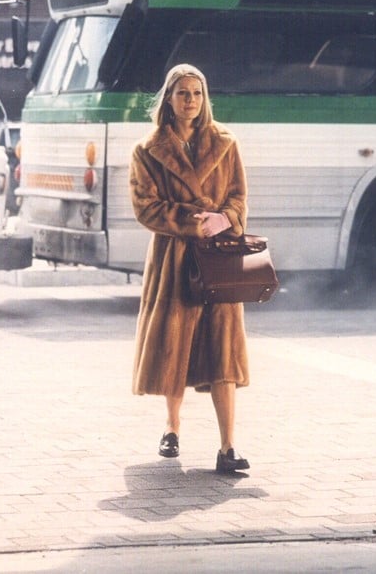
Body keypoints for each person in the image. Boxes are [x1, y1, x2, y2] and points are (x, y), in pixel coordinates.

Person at [129, 63, 251, 474]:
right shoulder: (147, 151)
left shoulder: (226, 144)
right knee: (173, 348)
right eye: (183, 93)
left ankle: (228, 447)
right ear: (169, 98)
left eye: (197, 94)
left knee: (223, 353)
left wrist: (226, 219)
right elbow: (146, 207)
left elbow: (238, 197)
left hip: (218, 258)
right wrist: (193, 220)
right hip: (174, 260)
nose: (191, 101)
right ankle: (172, 427)